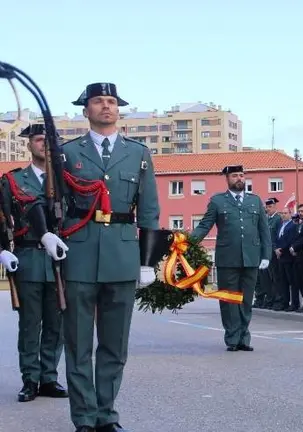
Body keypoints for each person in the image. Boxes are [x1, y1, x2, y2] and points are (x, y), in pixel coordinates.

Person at [62, 82, 165, 432]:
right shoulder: (66, 153)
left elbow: (149, 210)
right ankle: (84, 418)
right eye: (97, 101)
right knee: (77, 345)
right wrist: (48, 234)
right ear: (85, 110)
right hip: (77, 254)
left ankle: (106, 415)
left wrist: (148, 261)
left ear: (118, 110)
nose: (106, 107)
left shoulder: (138, 153)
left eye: (111, 102)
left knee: (114, 344)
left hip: (122, 255)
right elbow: (54, 205)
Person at [1, 124, 68, 403]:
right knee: (30, 324)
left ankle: (49, 378)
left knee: (56, 324)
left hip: (61, 260)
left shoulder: (68, 180)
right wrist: (3, 250)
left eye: (49, 141)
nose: (44, 145)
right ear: (29, 144)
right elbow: (2, 218)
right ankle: (30, 379)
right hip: (28, 257)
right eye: (39, 140)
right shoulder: (12, 180)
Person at [190, 164, 270, 351]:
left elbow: (264, 231)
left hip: (251, 257)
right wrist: (187, 242)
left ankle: (244, 338)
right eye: (235, 175)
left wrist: (266, 255)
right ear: (227, 178)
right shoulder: (218, 201)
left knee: (246, 300)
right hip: (227, 258)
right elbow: (204, 225)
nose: (240, 179)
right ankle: (232, 337)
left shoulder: (255, 201)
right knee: (228, 300)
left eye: (242, 175)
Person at [254, 197, 280, 309]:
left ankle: (275, 300)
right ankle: (267, 299)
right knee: (264, 279)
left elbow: (277, 237)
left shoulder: (278, 219)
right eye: (267, 207)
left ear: (275, 207)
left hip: (273, 253)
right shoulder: (266, 219)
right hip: (263, 253)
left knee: (274, 278)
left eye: (270, 207)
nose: (268, 209)